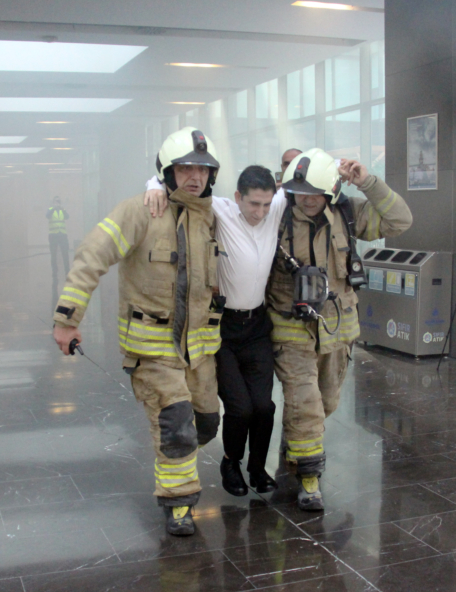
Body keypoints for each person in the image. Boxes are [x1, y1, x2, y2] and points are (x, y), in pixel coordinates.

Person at [52, 127, 223, 537]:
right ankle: (178, 502)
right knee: (176, 424)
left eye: (202, 169)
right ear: (167, 171)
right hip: (153, 349)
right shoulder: (139, 211)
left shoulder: (213, 216)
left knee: (205, 424)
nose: (195, 177)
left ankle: (176, 455)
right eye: (185, 168)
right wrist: (67, 319)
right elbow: (91, 255)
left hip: (200, 352)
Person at [272, 148, 412, 511]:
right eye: (301, 192)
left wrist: (368, 182)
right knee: (306, 403)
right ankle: (309, 479)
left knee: (326, 402)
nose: (307, 200)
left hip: (337, 330)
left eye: (315, 193)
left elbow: (400, 220)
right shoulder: (277, 216)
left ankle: (295, 442)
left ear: (331, 190)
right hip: (291, 330)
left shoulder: (348, 214)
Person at [146, 166, 283, 497]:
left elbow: (305, 182)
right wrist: (154, 185)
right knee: (240, 408)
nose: (260, 212)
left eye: (266, 204)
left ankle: (257, 468)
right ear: (237, 197)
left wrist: (347, 173)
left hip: (258, 327)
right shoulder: (221, 209)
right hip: (224, 328)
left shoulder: (275, 209)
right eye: (253, 204)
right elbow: (179, 189)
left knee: (264, 407)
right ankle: (231, 462)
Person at [46, 197, 70, 292]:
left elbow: (67, 217)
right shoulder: (50, 210)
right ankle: (54, 271)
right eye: (55, 201)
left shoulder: (63, 210)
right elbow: (47, 216)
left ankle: (67, 270)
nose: (57, 203)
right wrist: (53, 208)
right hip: (53, 235)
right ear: (53, 203)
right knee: (53, 254)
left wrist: (62, 208)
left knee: (65, 253)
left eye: (58, 201)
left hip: (62, 235)